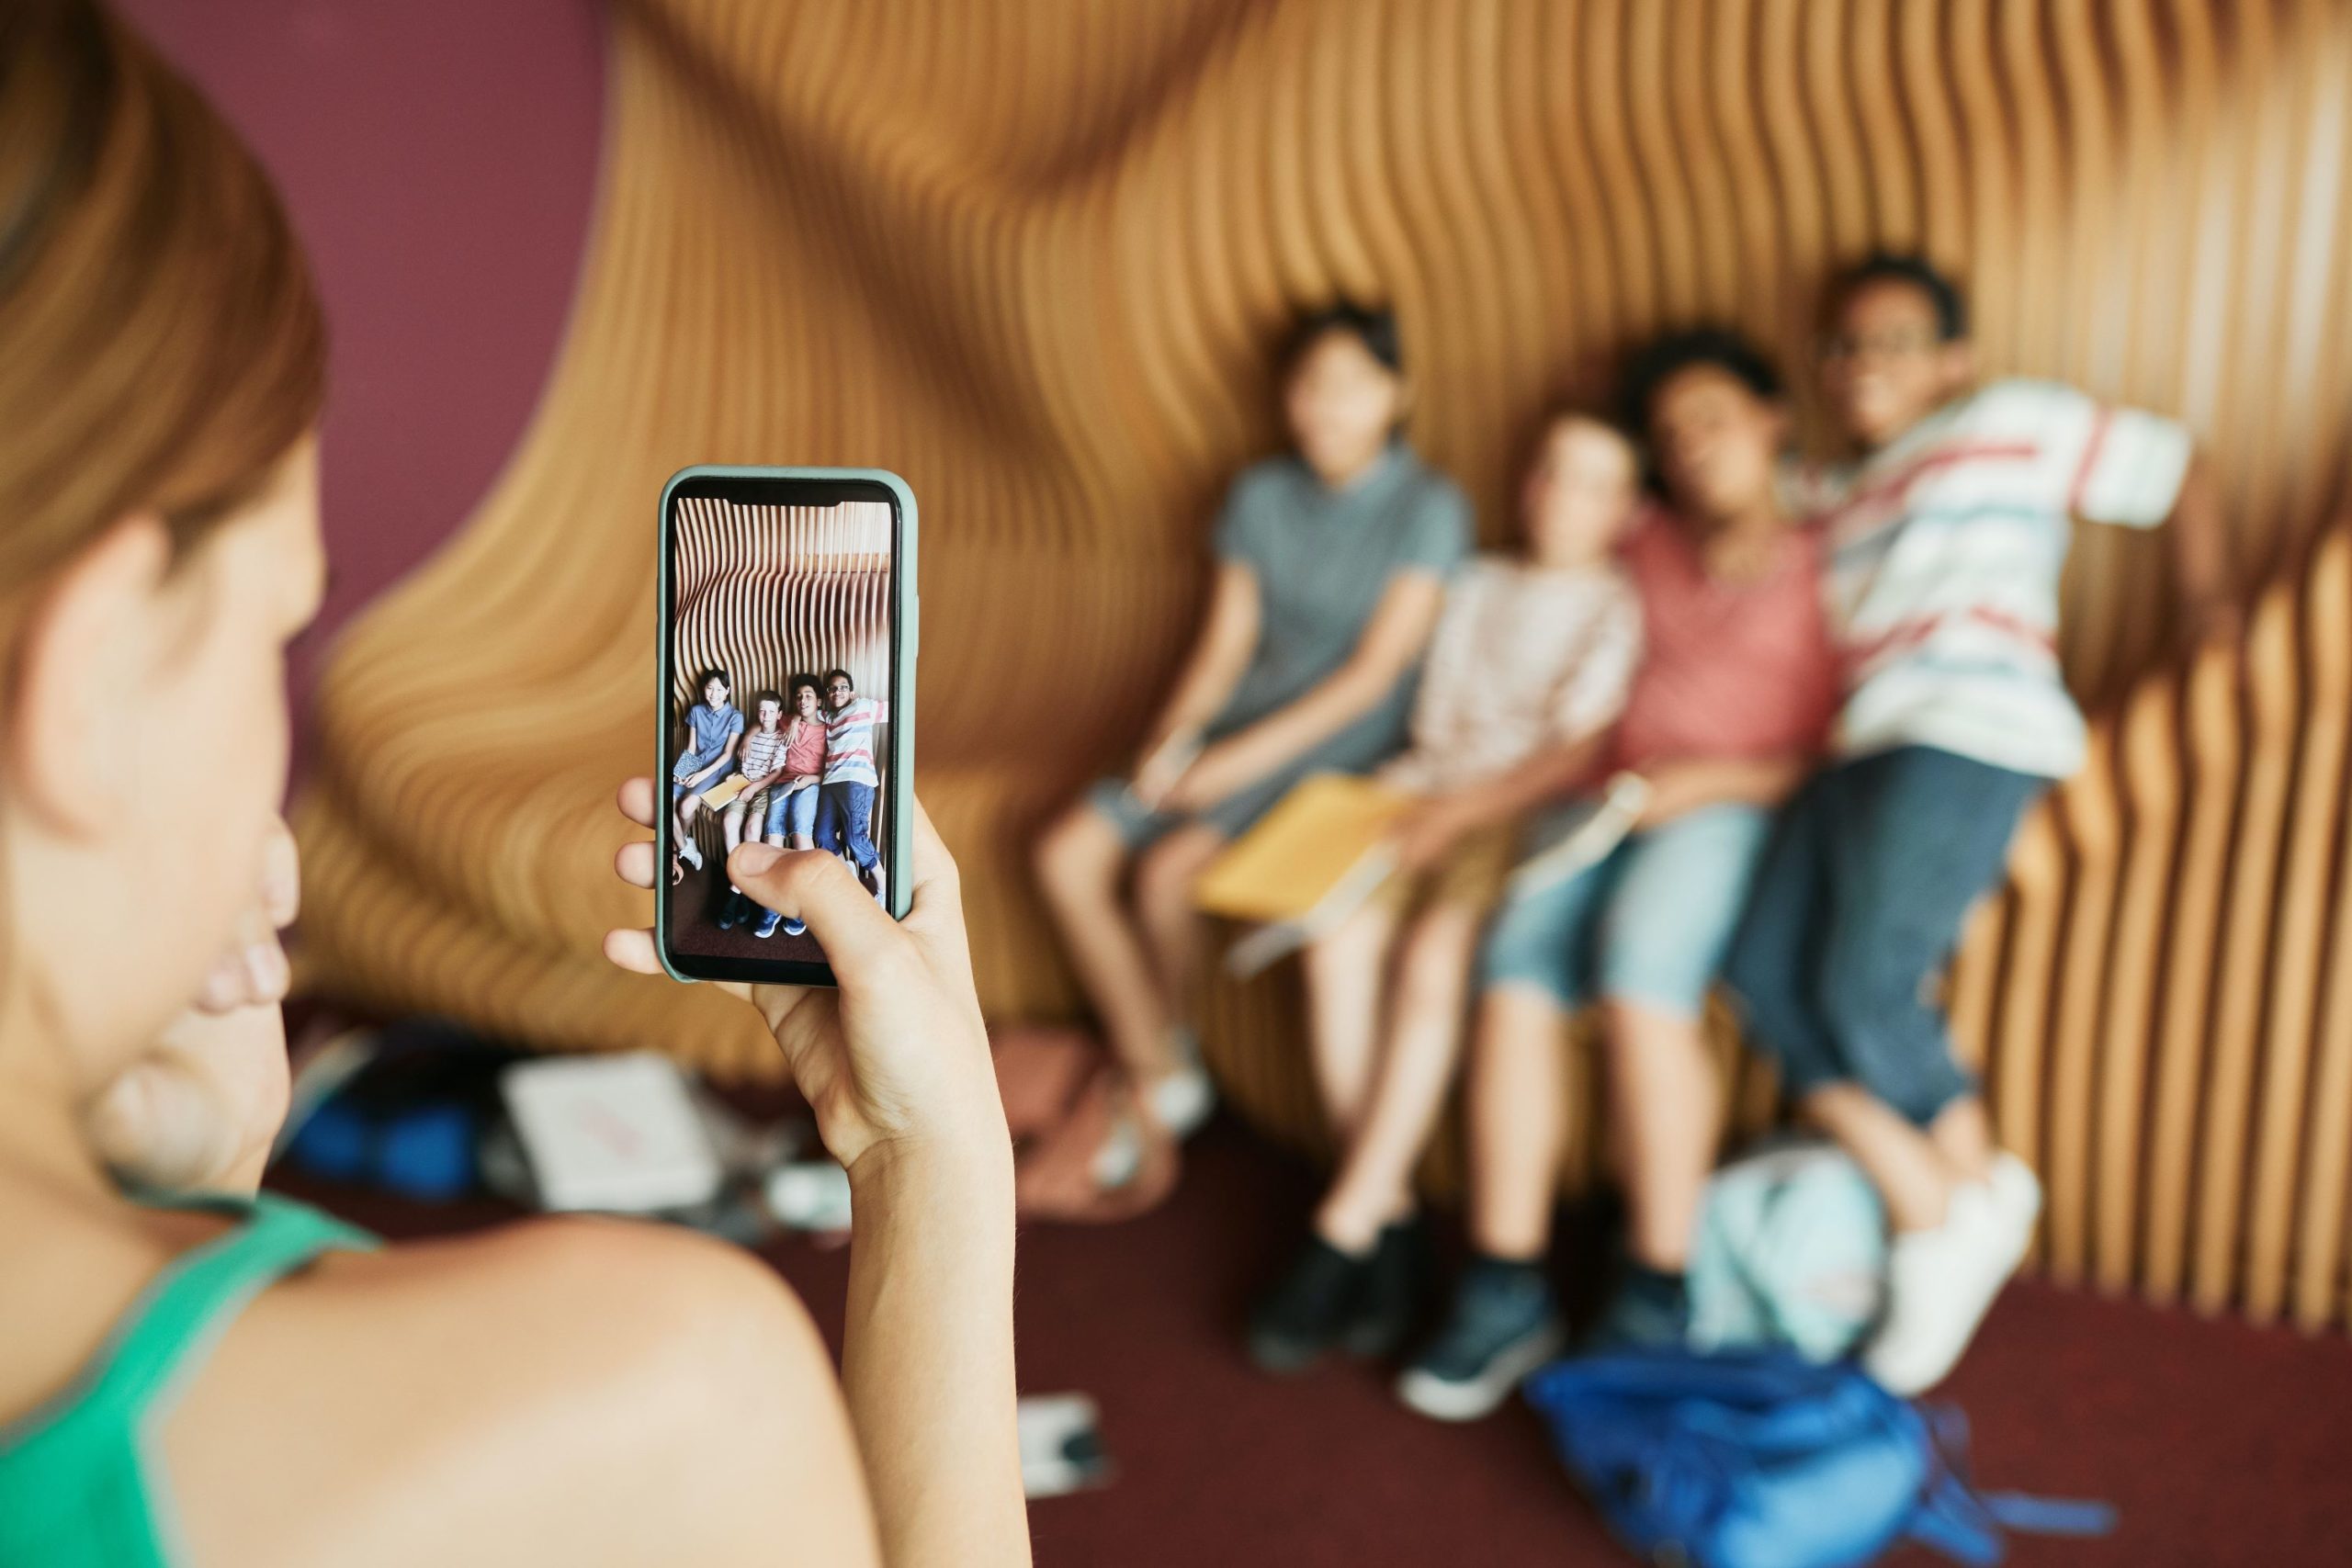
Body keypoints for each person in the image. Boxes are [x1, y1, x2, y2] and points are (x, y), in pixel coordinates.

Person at [0, 7, 1028, 1566]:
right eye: (283, 626)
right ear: (85, 682)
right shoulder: (640, 1406)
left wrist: (190, 1202)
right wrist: (931, 1171)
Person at [1722, 252, 2233, 1394]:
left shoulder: (2008, 421)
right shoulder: (1835, 490)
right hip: (1849, 746)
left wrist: (2208, 601)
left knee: (1867, 989)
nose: (1862, 367)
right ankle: (1965, 1199)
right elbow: (1746, 489)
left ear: (1953, 359)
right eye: (1842, 347)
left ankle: (1939, 1214)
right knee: (1758, 968)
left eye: (1894, 343)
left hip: (1965, 731)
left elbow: (2177, 462)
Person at [1396, 331, 1839, 1421]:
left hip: (1726, 806)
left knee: (1641, 976)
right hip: (1594, 801)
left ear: (1773, 419)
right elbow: (1581, 466)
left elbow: (1840, 750)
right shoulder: (1643, 537)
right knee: (1510, 975)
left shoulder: (1834, 546)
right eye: (1672, 430)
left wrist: (1707, 785)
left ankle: (1658, 1282)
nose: (1691, 446)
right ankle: (1503, 1283)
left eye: (1715, 419)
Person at [1032, 301, 1473, 1191]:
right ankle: (1164, 1067)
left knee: (1164, 876)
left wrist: (1229, 766)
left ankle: (1157, 1088)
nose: (1325, 407)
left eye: (1351, 384)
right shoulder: (1259, 496)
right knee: (1063, 854)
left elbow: (1372, 676)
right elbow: (1224, 645)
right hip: (1236, 724)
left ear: (1398, 393)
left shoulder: (1431, 506)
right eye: (1309, 384)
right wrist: (1174, 738)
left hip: (1336, 744)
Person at [1246, 409, 1645, 1373]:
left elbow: (1572, 749)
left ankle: (1343, 1226)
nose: (1561, 496)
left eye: (1592, 482)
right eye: (1551, 469)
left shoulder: (1616, 603)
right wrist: (1409, 802)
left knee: (1432, 962)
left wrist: (1457, 815)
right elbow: (1428, 714)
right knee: (1331, 939)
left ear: (1625, 509)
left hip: (1509, 812)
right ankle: (1388, 1213)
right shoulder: (1477, 580)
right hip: (1421, 784)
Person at [752, 674, 831, 939]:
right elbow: (762, 723)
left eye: (808, 695)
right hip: (782, 784)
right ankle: (773, 904)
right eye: (798, 696)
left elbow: (833, 769)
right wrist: (793, 720)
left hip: (809, 785)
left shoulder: (829, 729)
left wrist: (812, 779)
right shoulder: (787, 720)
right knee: (772, 838)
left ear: (819, 700)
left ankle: (802, 905)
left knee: (800, 835)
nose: (802, 700)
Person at [715, 689, 789, 932]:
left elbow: (776, 772)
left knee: (752, 827)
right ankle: (741, 884)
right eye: (761, 710)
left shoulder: (775, 735)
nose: (765, 715)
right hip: (731, 780)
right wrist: (733, 778)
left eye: (770, 711)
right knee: (728, 823)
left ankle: (735, 890)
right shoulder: (697, 714)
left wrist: (753, 786)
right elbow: (731, 759)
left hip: (759, 787)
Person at [814, 669, 885, 906]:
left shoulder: (863, 706)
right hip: (830, 783)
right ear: (827, 694)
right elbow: (801, 714)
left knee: (855, 839)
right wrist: (793, 719)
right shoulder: (827, 717)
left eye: (842, 687)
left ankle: (882, 887)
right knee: (822, 836)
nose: (837, 692)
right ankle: (847, 870)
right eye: (832, 689)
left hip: (857, 779)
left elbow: (900, 707)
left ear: (851, 692)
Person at [672, 669, 742, 871]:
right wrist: (681, 771)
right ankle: (685, 847)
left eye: (719, 689)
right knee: (665, 799)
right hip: (694, 763)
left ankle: (676, 847)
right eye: (710, 688)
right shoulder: (696, 711)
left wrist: (701, 775)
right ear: (704, 689)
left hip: (716, 769)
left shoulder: (735, 717)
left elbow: (728, 754)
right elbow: (691, 748)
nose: (714, 694)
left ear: (727, 691)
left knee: (686, 808)